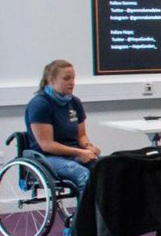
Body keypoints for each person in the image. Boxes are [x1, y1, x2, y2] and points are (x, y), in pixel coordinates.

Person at [24, 59, 102, 219]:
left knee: (105, 168)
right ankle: (80, 226)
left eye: (73, 78)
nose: (72, 83)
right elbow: (47, 145)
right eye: (66, 78)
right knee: (83, 175)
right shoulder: (40, 104)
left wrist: (88, 146)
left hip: (73, 153)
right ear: (51, 81)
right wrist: (79, 152)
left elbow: (81, 135)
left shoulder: (74, 102)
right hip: (48, 157)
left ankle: (102, 221)